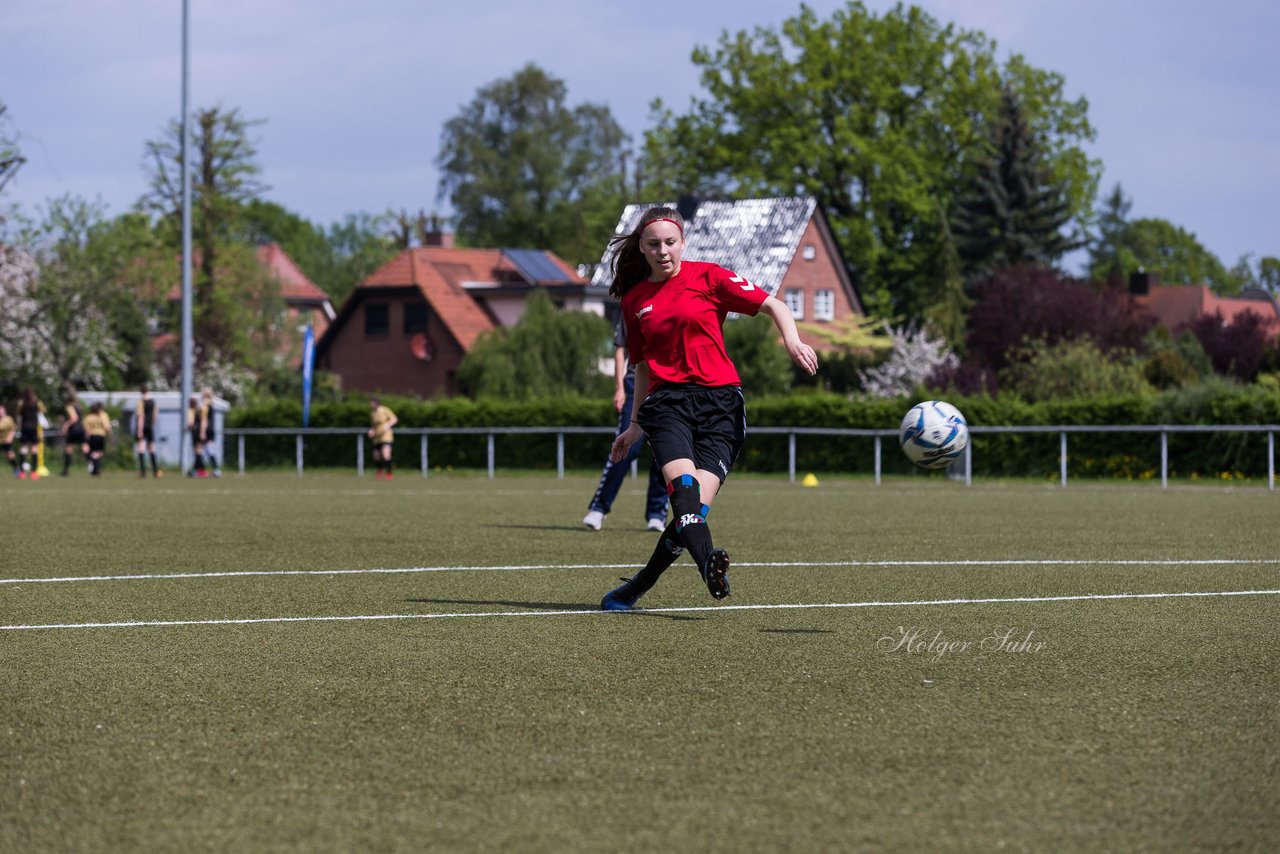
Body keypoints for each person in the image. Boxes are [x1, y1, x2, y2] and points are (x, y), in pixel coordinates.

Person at [599, 206, 818, 611]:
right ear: (642, 248)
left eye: (670, 242)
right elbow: (643, 369)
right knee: (683, 496)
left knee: (692, 515)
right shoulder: (634, 301)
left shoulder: (710, 276)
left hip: (722, 406)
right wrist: (633, 426)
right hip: (667, 406)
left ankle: (637, 587)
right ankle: (708, 567)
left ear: (683, 242)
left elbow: (775, 305)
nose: (663, 250)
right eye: (653, 244)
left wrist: (792, 341)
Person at [582, 313, 669, 532]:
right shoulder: (633, 302)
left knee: (666, 451)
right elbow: (620, 347)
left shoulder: (674, 295)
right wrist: (619, 387)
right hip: (634, 383)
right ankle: (598, 509)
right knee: (626, 448)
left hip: (667, 385)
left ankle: (657, 514)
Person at [15, 387, 45, 481]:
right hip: (33, 428)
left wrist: (18, 427)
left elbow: (19, 414)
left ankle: (22, 472)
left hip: (24, 428)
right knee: (34, 449)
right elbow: (43, 411)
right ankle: (34, 472)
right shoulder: (37, 403)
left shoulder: (21, 403)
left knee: (23, 449)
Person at [133, 385, 162, 478]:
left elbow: (141, 417)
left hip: (142, 427)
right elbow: (154, 417)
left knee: (141, 448)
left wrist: (139, 431)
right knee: (152, 448)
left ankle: (142, 472)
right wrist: (151, 426)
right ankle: (156, 471)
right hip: (150, 427)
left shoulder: (141, 402)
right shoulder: (153, 402)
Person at [60, 385, 88, 477]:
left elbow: (74, 418)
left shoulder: (69, 407)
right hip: (81, 429)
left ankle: (65, 470)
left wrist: (66, 425)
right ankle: (93, 466)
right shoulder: (79, 407)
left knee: (68, 448)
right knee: (85, 447)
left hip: (74, 430)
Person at [368, 397, 398, 480]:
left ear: (376, 403)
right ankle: (380, 469)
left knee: (386, 454)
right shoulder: (373, 413)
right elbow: (373, 425)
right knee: (376, 456)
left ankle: (389, 472)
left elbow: (394, 419)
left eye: (371, 403)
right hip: (377, 437)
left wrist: (387, 425)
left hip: (386, 436)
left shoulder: (385, 410)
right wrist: (372, 431)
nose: (370, 405)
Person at [83, 401, 112, 476]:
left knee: (94, 453)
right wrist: (110, 436)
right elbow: (107, 427)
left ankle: (94, 468)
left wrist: (86, 440)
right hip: (100, 436)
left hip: (92, 436)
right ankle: (96, 470)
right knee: (97, 453)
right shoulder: (103, 415)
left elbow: (86, 429)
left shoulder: (88, 416)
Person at [198, 388, 220, 477]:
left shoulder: (205, 405)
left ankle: (205, 470)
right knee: (208, 451)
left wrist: (202, 432)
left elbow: (204, 420)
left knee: (202, 450)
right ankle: (214, 470)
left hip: (207, 430)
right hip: (211, 430)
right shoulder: (211, 404)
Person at [187, 396, 207, 477]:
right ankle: (198, 470)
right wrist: (203, 432)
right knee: (199, 452)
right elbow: (203, 421)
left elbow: (190, 423)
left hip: (195, 432)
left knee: (197, 452)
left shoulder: (191, 411)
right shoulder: (200, 410)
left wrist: (188, 428)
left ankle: (200, 470)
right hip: (199, 432)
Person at [0, 405, 16, 475]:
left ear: (4, 411)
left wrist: (10, 438)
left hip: (6, 441)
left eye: (1, 411)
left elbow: (13, 429)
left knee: (10, 455)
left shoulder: (8, 419)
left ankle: (16, 468)